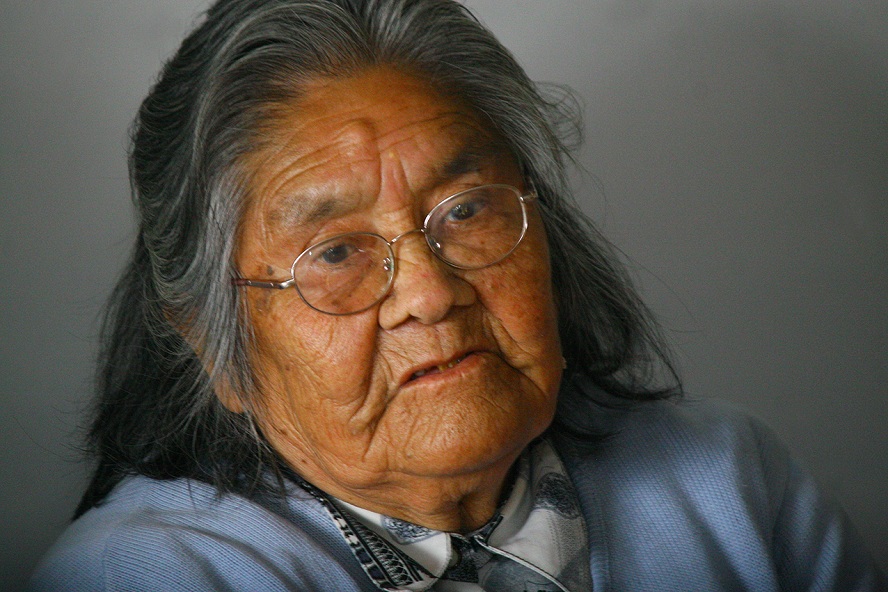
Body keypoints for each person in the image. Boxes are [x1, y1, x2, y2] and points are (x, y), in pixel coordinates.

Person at [30, 0, 884, 590]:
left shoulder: (729, 482)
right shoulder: (146, 576)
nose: (430, 294)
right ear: (211, 344)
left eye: (467, 210)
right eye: (337, 252)